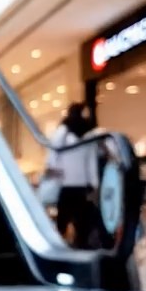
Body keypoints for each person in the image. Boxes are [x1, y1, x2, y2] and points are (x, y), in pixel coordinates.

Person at [43, 103, 98, 248]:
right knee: (80, 222)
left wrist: (51, 171)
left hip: (67, 183)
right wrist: (94, 183)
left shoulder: (63, 131)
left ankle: (60, 246)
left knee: (66, 219)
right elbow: (91, 161)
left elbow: (53, 154)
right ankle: (78, 246)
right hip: (81, 185)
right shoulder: (88, 132)